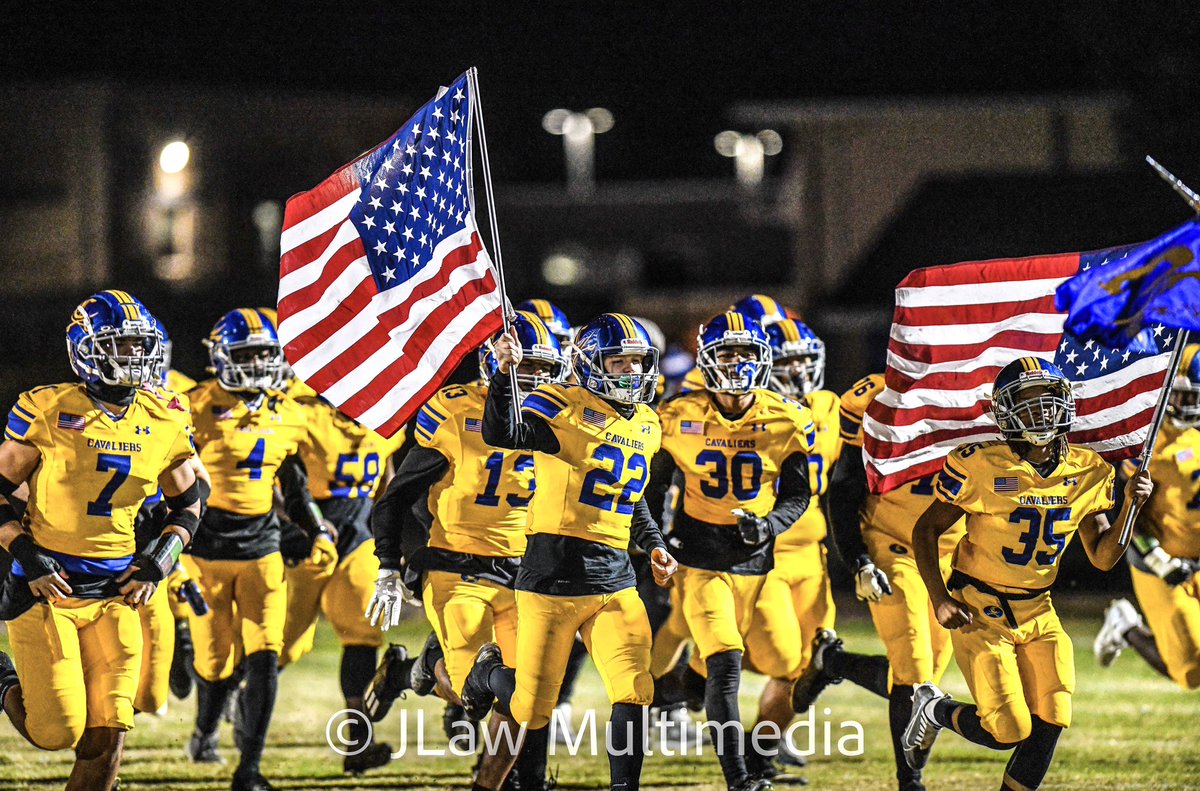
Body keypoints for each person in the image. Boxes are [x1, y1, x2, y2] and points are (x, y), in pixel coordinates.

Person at [902, 357, 1153, 791]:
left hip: (1039, 609)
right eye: (1028, 401)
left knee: (1053, 718)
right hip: (979, 608)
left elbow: (1103, 558)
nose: (1040, 411)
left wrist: (1131, 505)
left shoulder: (1089, 470)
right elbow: (926, 529)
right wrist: (941, 597)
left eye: (1048, 399)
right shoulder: (980, 465)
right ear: (1005, 411)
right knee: (1008, 731)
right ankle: (933, 710)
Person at [459, 312, 678, 791]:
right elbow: (503, 434)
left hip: (615, 581)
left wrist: (655, 543)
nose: (631, 373)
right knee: (531, 708)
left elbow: (630, 493)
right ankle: (488, 673)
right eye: (618, 362)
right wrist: (502, 374)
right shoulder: (563, 404)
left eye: (637, 362)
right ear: (590, 363)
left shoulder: (646, 421)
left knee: (636, 689)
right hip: (552, 578)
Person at [0, 290, 202, 791]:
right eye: (120, 346)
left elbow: (192, 501)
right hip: (47, 589)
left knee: (109, 733)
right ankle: (3, 680)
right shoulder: (46, 408)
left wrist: (161, 558)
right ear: (84, 349)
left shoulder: (167, 415)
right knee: (55, 732)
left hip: (117, 589)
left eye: (140, 346)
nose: (133, 358)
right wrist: (27, 552)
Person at [366, 311, 566, 790]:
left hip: (522, 572)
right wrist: (388, 566)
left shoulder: (563, 418)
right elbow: (397, 495)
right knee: (469, 689)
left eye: (543, 370)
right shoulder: (457, 413)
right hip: (457, 569)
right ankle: (409, 672)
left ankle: (489, 785)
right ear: (491, 365)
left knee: (529, 693)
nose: (535, 381)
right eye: (524, 369)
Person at [647, 312, 815, 791]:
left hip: (757, 564)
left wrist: (769, 525)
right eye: (727, 353)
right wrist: (657, 541)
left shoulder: (785, 416)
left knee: (785, 664)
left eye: (747, 353)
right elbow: (655, 489)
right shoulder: (679, 414)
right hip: (699, 559)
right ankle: (740, 779)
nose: (737, 363)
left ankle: (682, 695)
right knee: (726, 661)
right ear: (707, 359)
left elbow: (797, 495)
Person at [791, 372, 965, 791]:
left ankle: (831, 662)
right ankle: (910, 780)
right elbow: (845, 491)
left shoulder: (977, 392)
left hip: (950, 551)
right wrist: (859, 561)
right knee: (912, 668)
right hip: (893, 544)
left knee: (927, 680)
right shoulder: (876, 398)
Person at [182, 308, 333, 791]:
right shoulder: (190, 406)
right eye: (246, 355)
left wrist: (316, 529)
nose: (256, 365)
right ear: (221, 357)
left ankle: (250, 769)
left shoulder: (288, 411)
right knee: (215, 663)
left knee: (265, 655)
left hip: (261, 549)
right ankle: (205, 731)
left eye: (265, 354)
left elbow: (293, 481)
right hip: (203, 551)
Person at [278, 375, 407, 774]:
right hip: (307, 537)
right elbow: (276, 473)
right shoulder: (307, 417)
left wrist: (388, 535)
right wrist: (290, 524)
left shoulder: (385, 424)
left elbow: (387, 481)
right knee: (282, 642)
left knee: (363, 634)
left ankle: (358, 743)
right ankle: (223, 705)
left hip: (357, 538)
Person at [741, 318, 838, 781]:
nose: (799, 372)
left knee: (811, 664)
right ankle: (689, 682)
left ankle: (760, 754)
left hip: (812, 556)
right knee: (782, 657)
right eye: (788, 361)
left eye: (805, 361)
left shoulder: (830, 407)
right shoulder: (750, 412)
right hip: (766, 555)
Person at [1095, 344, 1200, 686]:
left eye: (1194, 396)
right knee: (1192, 671)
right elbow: (1128, 512)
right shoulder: (1149, 444)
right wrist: (1157, 559)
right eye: (1182, 396)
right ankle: (1127, 628)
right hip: (1167, 565)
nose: (1187, 405)